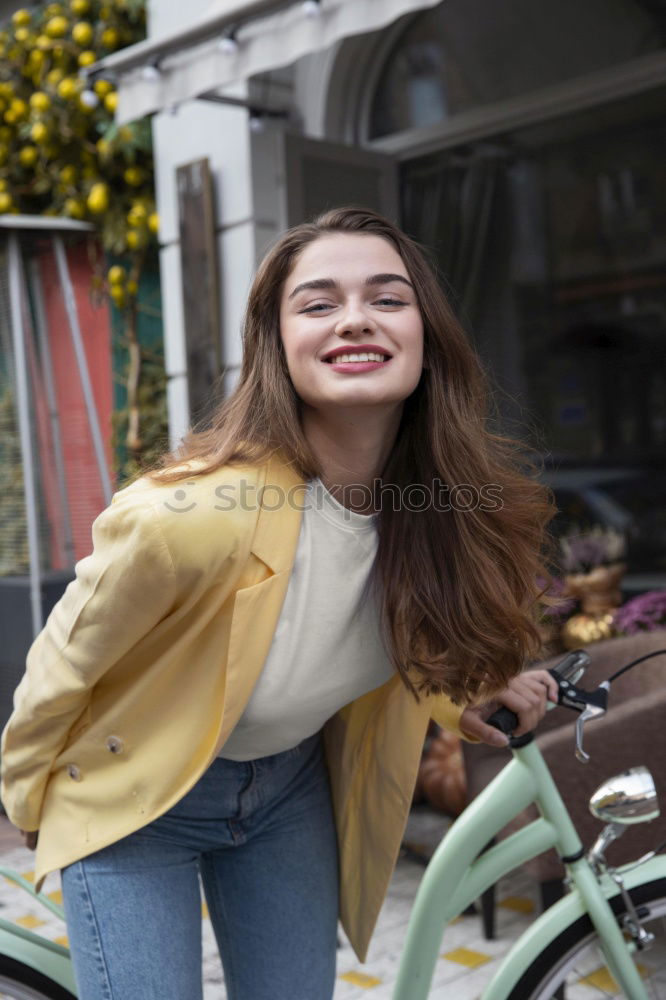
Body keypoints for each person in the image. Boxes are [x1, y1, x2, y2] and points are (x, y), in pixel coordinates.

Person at [1, 207, 558, 1000]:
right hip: (137, 794)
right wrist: (26, 796)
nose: (356, 319)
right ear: (278, 343)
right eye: (319, 303)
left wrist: (462, 691)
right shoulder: (186, 518)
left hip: (287, 790)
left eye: (388, 298)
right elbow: (64, 660)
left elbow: (365, 626)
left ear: (428, 334)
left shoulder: (440, 508)